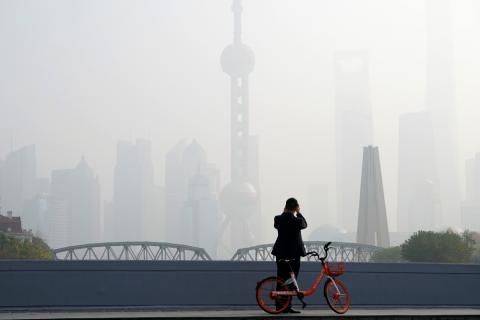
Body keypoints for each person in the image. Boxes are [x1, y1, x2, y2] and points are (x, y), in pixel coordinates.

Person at [271, 197, 307, 314]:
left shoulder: (278, 219)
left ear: (285, 207)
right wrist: (299, 212)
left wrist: (285, 211)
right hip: (294, 254)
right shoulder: (297, 221)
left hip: (280, 252)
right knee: (291, 280)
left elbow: (277, 224)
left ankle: (279, 307)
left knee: (281, 279)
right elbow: (305, 224)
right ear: (295, 207)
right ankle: (287, 306)